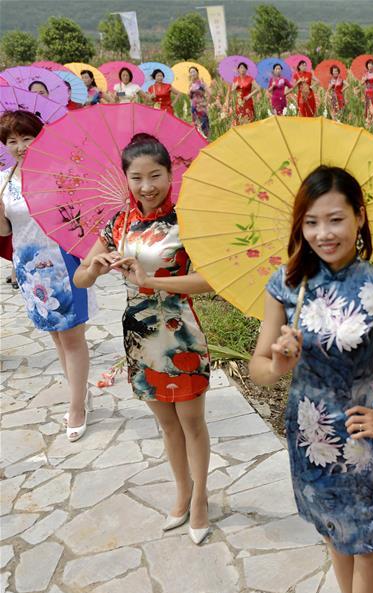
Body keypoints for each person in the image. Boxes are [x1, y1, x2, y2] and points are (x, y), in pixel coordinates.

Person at [249, 165, 373, 593]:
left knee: (368, 542)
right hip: (307, 432)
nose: (323, 234)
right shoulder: (287, 284)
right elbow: (258, 370)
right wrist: (279, 363)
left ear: (359, 216)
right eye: (311, 222)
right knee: (333, 532)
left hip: (360, 438)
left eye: (335, 219)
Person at [73, 134, 214, 545]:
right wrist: (96, 266)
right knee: (166, 424)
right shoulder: (118, 223)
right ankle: (182, 492)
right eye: (137, 177)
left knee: (192, 424)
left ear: (171, 174)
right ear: (126, 179)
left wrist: (150, 279)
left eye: (155, 175)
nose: (147, 185)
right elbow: (80, 277)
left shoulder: (187, 220)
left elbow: (208, 280)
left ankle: (202, 498)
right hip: (139, 335)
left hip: (179, 333)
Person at [0, 110, 96, 441]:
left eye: (27, 138)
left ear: (40, 137)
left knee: (71, 336)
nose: (20, 146)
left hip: (61, 261)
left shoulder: (60, 172)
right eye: (12, 141)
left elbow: (82, 217)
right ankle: (79, 392)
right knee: (55, 335)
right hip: (27, 265)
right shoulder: (4, 180)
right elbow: (5, 230)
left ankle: (77, 407)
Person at [187, 66, 210, 138]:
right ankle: (199, 142)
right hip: (193, 107)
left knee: (204, 123)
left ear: (197, 73)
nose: (192, 73)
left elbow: (209, 93)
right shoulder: (190, 84)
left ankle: (206, 140)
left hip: (201, 107)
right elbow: (190, 97)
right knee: (196, 124)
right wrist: (189, 93)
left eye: (194, 71)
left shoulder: (201, 82)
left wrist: (207, 103)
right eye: (191, 72)